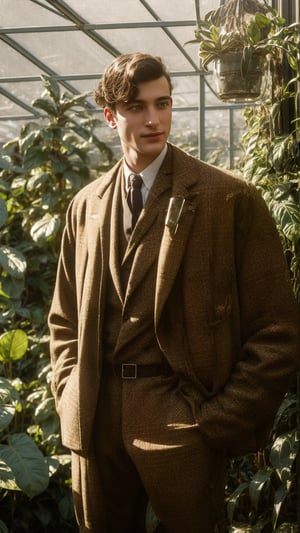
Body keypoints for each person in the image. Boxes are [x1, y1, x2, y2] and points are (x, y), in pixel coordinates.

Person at [48, 52, 299, 533]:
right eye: (137, 107)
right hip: (95, 421)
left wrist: (215, 421)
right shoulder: (86, 206)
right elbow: (63, 319)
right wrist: (69, 391)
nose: (153, 119)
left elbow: (278, 331)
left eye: (162, 104)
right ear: (110, 116)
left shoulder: (227, 198)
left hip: (183, 421)